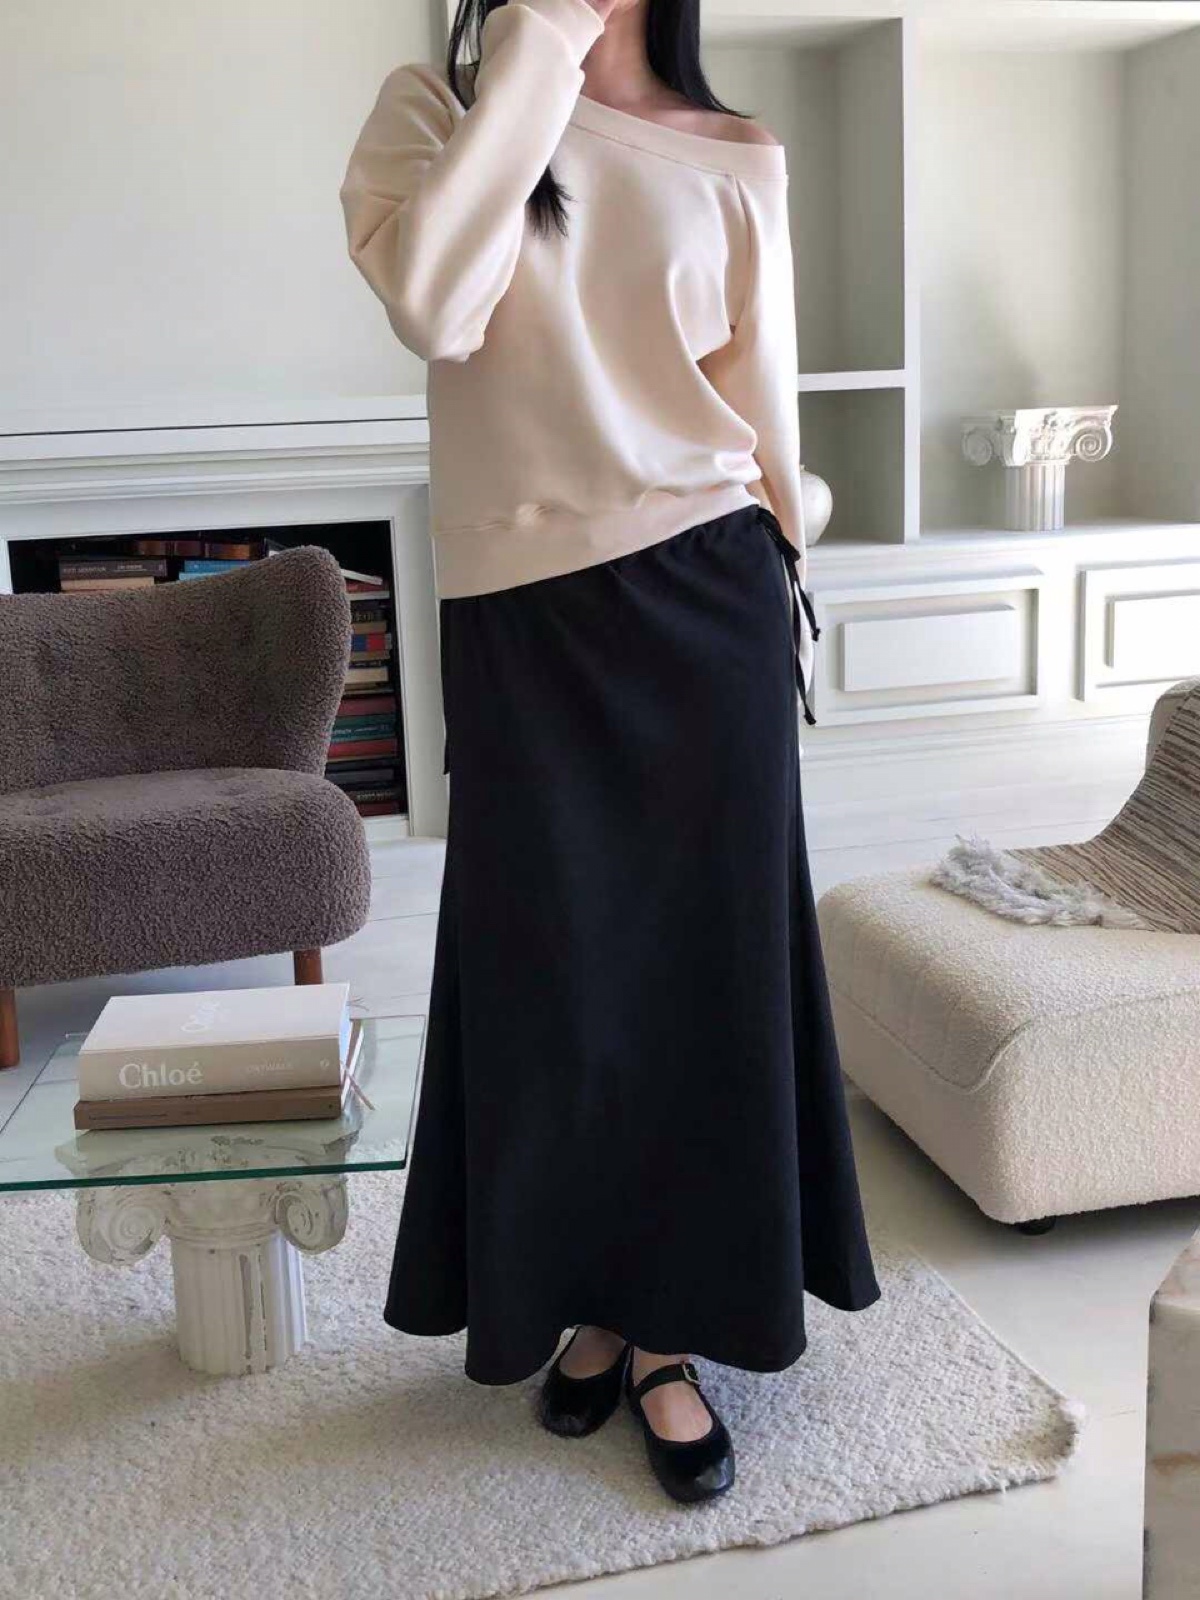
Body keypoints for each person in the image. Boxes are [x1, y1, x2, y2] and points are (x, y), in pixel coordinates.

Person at [339, 0, 881, 1507]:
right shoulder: (434, 115)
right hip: (523, 620)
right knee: (553, 974)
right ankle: (581, 1293)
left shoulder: (736, 152)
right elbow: (437, 308)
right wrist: (536, 55)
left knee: (699, 977)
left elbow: (762, 395)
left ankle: (667, 1336)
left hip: (707, 594)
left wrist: (791, 544)